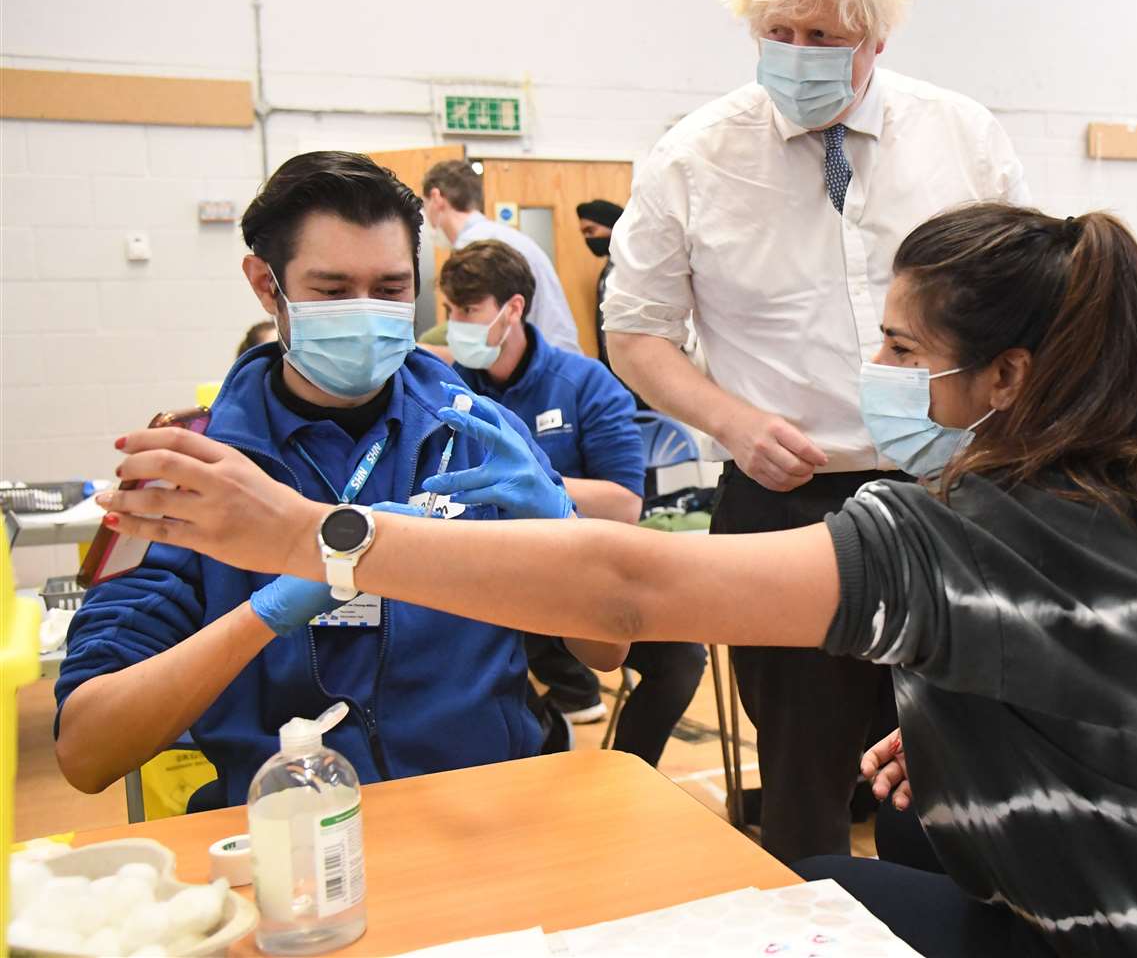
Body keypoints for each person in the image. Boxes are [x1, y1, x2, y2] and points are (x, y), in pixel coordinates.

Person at [97, 205, 1137, 958]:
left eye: (901, 346)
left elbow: (625, 596)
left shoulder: (979, 525)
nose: (871, 366)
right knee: (817, 883)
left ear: (1008, 381)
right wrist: (1012, 745)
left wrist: (313, 536)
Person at [601, 0, 1028, 862]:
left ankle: (940, 919)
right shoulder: (693, 159)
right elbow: (637, 335)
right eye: (776, 31)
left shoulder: (961, 138)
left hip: (953, 491)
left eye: (823, 34)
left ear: (876, 36)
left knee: (951, 755)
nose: (796, 53)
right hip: (784, 503)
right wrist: (733, 421)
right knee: (802, 770)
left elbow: (1039, 310)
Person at [53, 151, 607, 808]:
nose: (366, 313)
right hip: (293, 835)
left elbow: (606, 649)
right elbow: (87, 749)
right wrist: (261, 616)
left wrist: (564, 527)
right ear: (267, 286)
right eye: (334, 291)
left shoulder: (477, 438)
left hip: (489, 812)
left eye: (392, 288)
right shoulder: (195, 474)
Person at [439, 239, 706, 762]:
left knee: (681, 659)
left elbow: (625, 503)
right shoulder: (444, 385)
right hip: (478, 576)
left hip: (573, 569)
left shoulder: (585, 383)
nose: (454, 324)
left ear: (513, 309)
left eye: (468, 310)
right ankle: (543, 725)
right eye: (450, 310)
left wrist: (532, 485)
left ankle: (627, 767)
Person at [421, 159, 582, 354]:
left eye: (424, 205)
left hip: (537, 366)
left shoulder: (476, 249)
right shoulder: (502, 236)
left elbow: (483, 339)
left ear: (436, 198)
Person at [576, 199, 623, 373]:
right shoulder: (608, 270)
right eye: (584, 233)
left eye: (591, 231)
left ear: (613, 226)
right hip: (612, 367)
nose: (588, 239)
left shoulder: (635, 267)